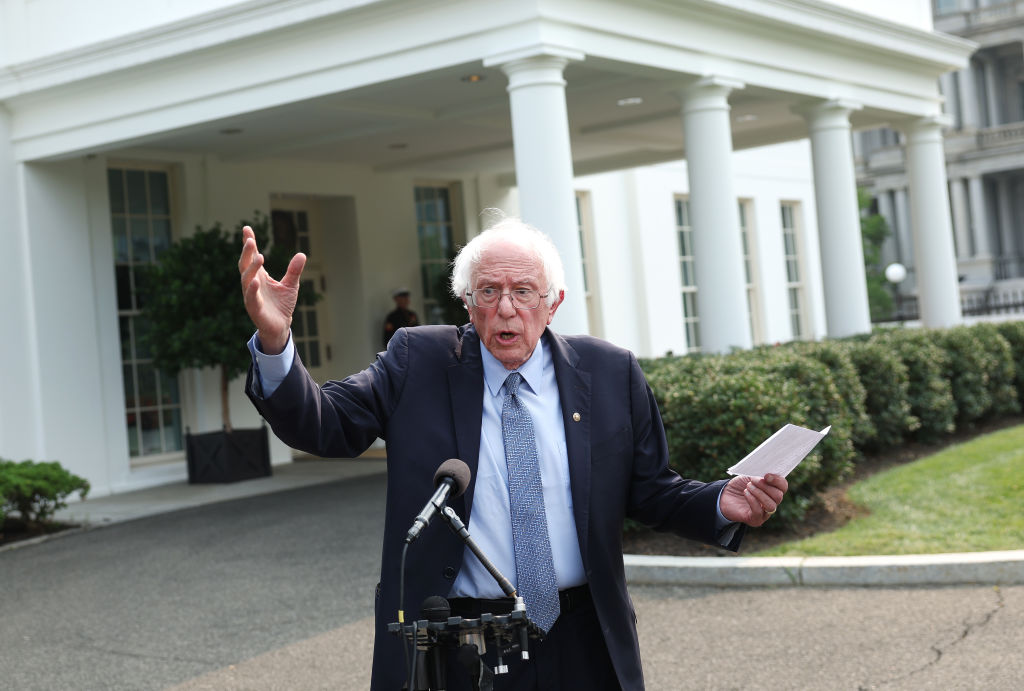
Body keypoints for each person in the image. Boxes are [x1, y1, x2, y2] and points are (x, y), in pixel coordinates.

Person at [238, 216, 788, 691]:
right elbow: (325, 424)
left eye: (523, 292)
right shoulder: (418, 360)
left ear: (554, 303)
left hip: (582, 637)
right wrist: (275, 344)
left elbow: (651, 490)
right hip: (458, 644)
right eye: (488, 292)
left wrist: (721, 503)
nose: (505, 309)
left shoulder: (609, 372)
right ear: (466, 301)